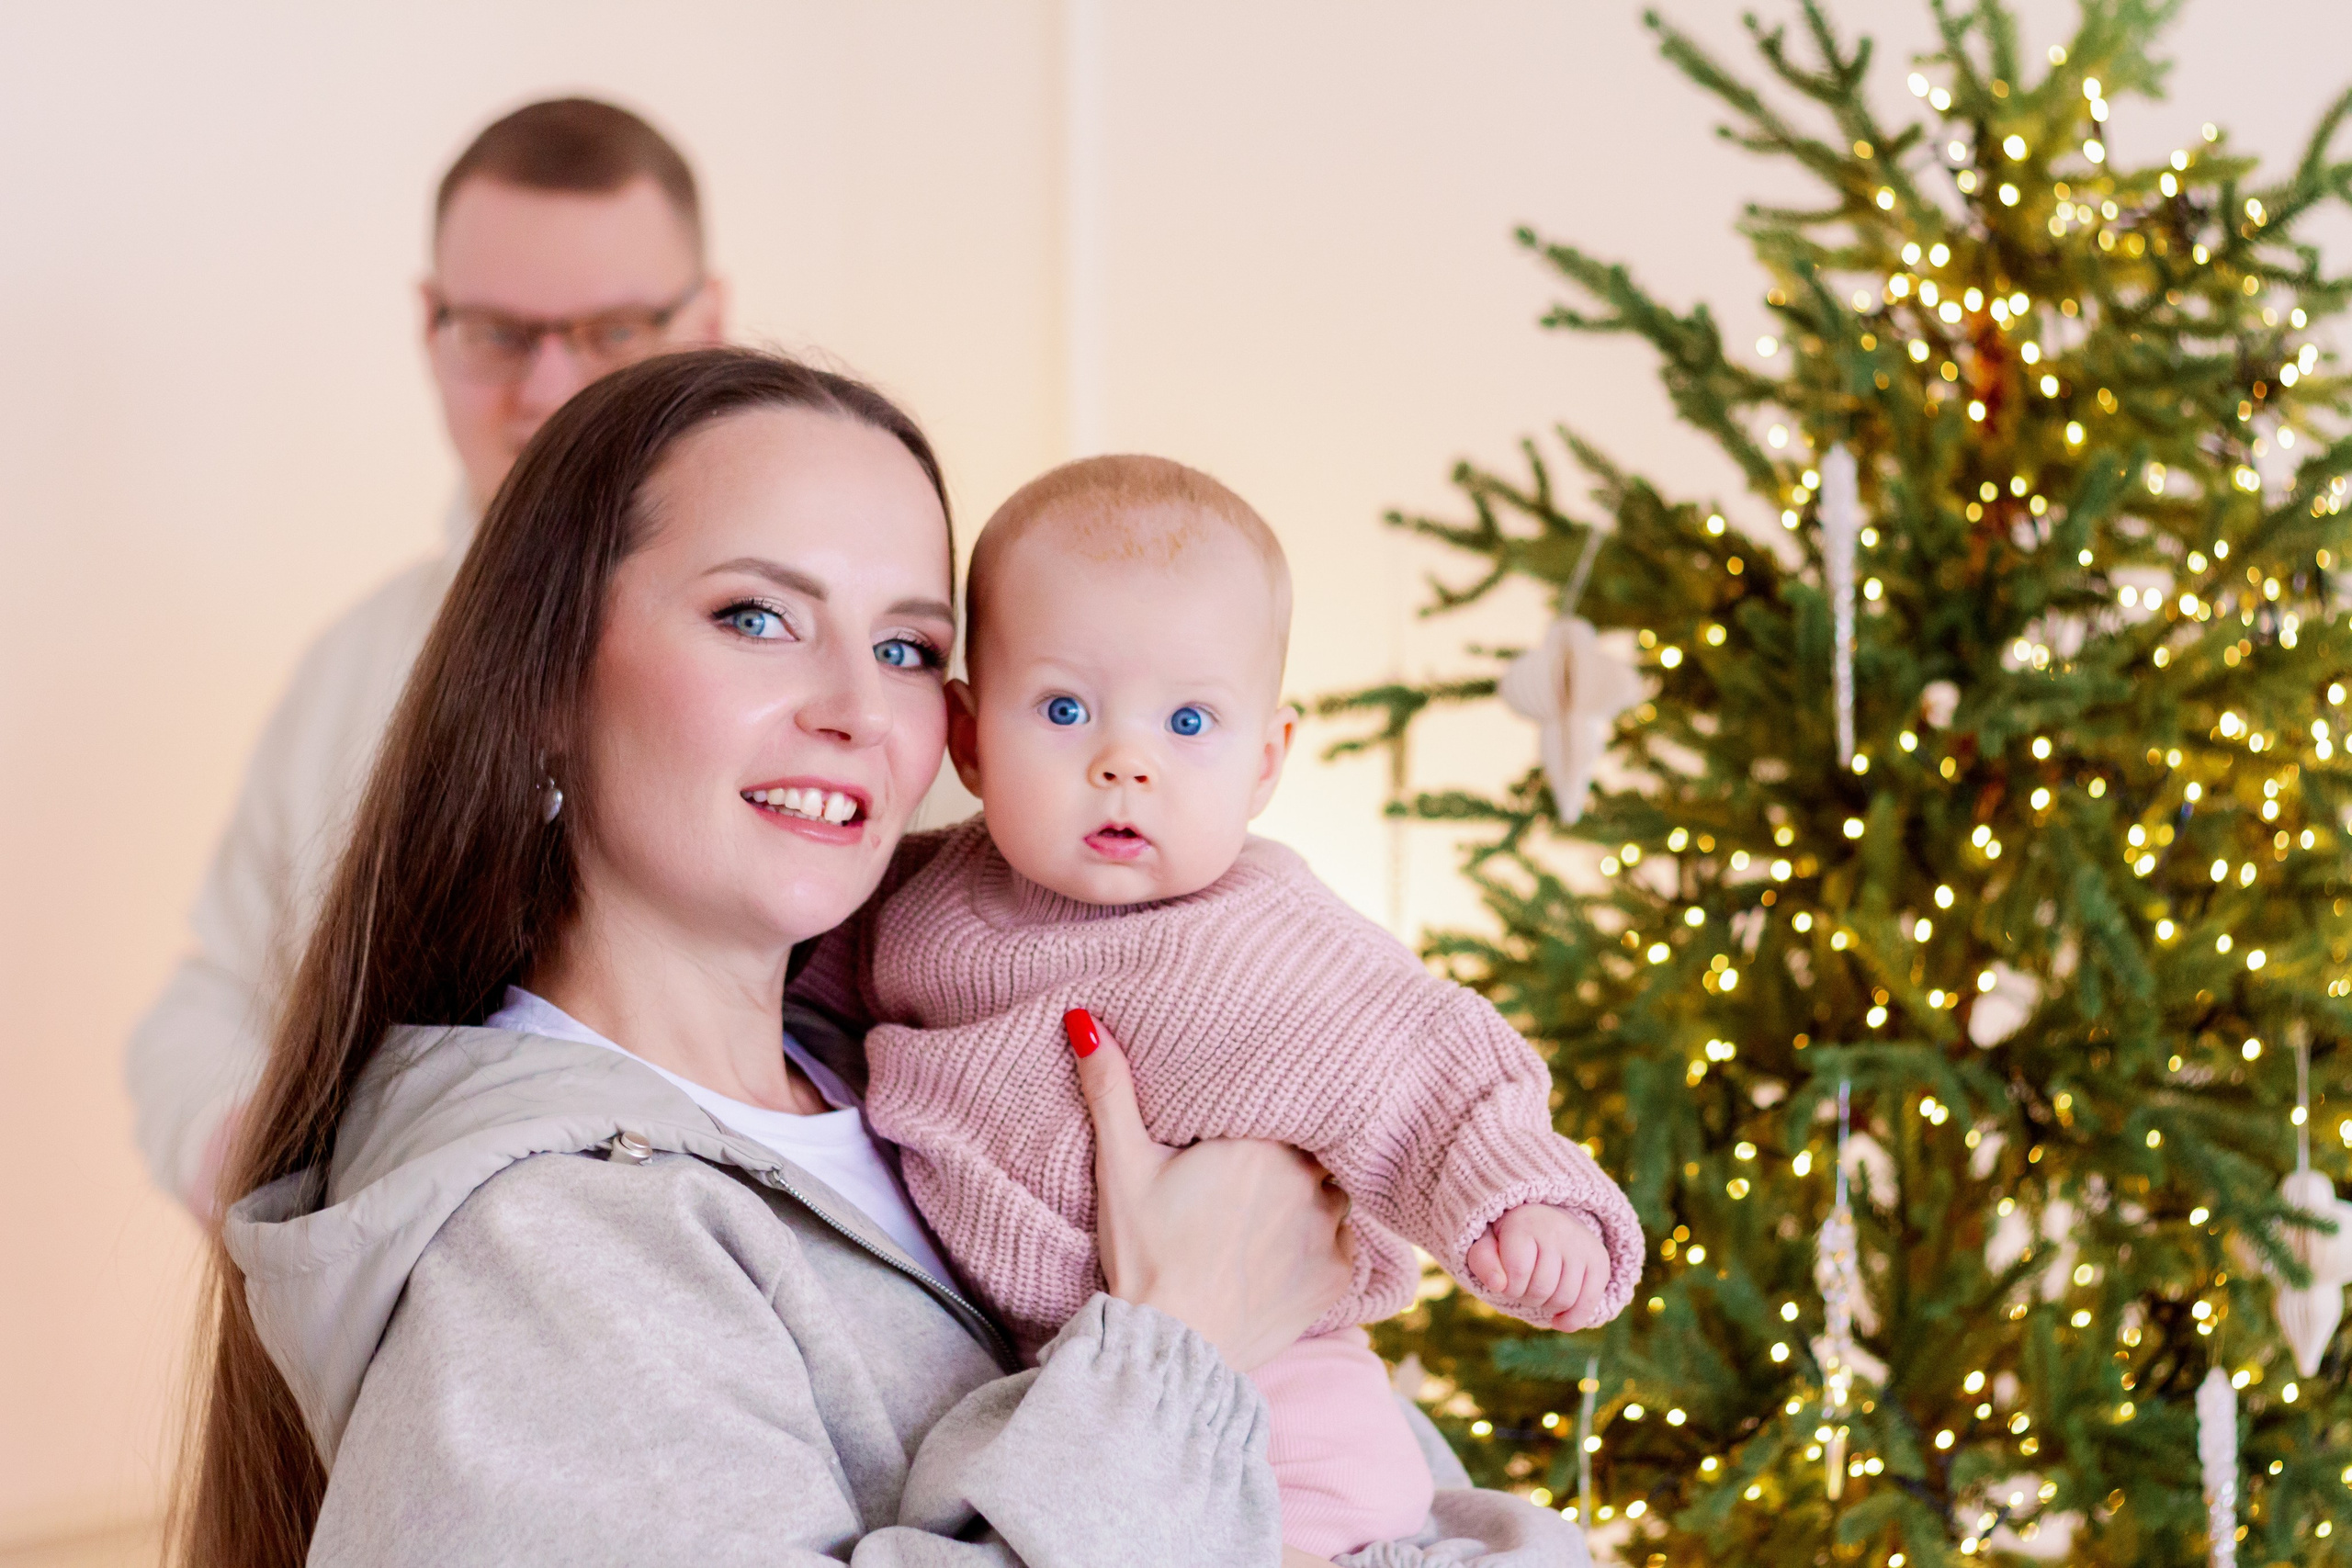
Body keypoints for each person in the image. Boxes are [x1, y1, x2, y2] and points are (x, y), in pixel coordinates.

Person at [183, 348, 1581, 1568]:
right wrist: (1187, 1335)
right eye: (757, 616)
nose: (858, 707)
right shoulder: (541, 1246)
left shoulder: (940, 1062)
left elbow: (1392, 1490)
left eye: (908, 644)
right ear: (545, 680)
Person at [790, 455, 1642, 1560]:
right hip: (1062, 1381)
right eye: (1063, 708)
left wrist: (1523, 1204)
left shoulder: (1257, 939)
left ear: (1267, 764)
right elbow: (788, 967)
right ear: (967, 738)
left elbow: (1424, 1066)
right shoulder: (918, 898)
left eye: (1189, 724)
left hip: (1279, 1396)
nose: (1123, 763)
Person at [127, 97, 726, 1215]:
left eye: (610, 333)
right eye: (497, 333)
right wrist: (283, 1196)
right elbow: (209, 1004)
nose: (546, 390)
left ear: (706, 324)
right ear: (429, 324)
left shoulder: (846, 665)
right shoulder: (352, 665)